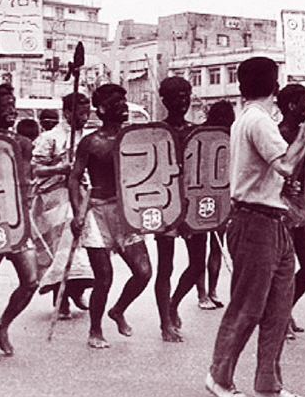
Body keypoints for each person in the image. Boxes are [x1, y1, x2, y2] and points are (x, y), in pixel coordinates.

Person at [205, 57, 305, 397]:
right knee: (248, 307)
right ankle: (219, 376)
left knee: (278, 308)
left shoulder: (251, 119)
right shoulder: (259, 122)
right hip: (255, 221)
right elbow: (286, 166)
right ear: (274, 85)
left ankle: (268, 384)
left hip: (274, 220)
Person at [69, 83, 152, 349]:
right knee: (104, 277)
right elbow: (73, 178)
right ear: (103, 109)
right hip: (96, 212)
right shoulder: (90, 142)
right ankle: (95, 330)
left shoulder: (134, 138)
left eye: (124, 103)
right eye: (117, 104)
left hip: (126, 212)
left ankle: (118, 310)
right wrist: (76, 213)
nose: (124, 107)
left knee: (143, 272)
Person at [0, 83, 39, 362]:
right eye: (5, 105)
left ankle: (3, 326)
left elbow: (25, 179)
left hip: (18, 221)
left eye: (14, 104)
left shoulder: (23, 143)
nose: (12, 110)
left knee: (31, 281)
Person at [153, 76, 207, 343]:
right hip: (166, 205)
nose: (183, 102)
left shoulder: (198, 132)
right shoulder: (156, 132)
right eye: (177, 97)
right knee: (166, 267)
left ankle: (174, 304)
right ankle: (165, 323)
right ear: (164, 99)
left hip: (195, 207)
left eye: (186, 96)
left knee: (198, 265)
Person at [32, 92, 94, 320]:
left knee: (81, 247)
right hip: (55, 198)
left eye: (87, 114)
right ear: (67, 113)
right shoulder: (50, 138)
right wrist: (60, 169)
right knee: (61, 250)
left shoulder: (87, 138)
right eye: (80, 113)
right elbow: (35, 169)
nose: (84, 118)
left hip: (80, 196)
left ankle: (77, 291)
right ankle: (62, 299)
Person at [277, 84, 305, 339]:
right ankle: (279, 317)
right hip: (283, 210)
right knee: (284, 268)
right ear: (292, 105)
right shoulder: (280, 135)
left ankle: (285, 310)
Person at [194, 100, 236, 310]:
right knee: (212, 248)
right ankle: (207, 292)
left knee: (211, 247)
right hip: (211, 196)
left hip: (211, 197)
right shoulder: (225, 136)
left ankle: (207, 292)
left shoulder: (205, 134)